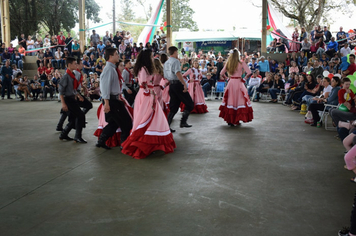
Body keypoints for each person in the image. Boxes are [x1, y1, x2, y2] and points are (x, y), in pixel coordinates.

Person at [121, 49, 176, 159]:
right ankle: (144, 144)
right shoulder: (143, 69)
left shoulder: (146, 69)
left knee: (154, 118)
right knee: (146, 118)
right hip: (146, 96)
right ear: (147, 57)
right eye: (151, 56)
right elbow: (143, 84)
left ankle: (152, 144)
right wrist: (150, 95)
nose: (152, 58)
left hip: (150, 95)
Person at [95, 48, 133, 150]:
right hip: (111, 100)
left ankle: (101, 141)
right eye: (116, 54)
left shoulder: (112, 69)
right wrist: (106, 102)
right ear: (110, 56)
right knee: (126, 122)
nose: (118, 55)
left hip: (114, 99)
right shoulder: (109, 69)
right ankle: (124, 145)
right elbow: (105, 87)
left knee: (114, 122)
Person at [164, 46, 194, 132]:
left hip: (171, 85)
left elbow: (165, 75)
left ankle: (167, 127)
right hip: (177, 84)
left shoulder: (166, 62)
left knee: (174, 106)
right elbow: (178, 72)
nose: (177, 54)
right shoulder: (176, 61)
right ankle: (183, 121)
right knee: (190, 104)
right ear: (174, 52)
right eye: (177, 52)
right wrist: (184, 83)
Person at [219, 49, 253, 126]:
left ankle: (230, 120)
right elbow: (249, 72)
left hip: (231, 82)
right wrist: (244, 79)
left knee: (231, 100)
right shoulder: (241, 63)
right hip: (239, 82)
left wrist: (227, 79)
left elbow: (221, 73)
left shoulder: (228, 63)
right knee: (239, 100)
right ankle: (237, 119)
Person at [58, 57, 87, 143]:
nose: (76, 65)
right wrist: (63, 104)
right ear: (69, 65)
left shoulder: (72, 75)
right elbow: (61, 91)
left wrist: (78, 95)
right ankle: (77, 137)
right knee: (80, 115)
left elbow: (73, 89)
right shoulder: (66, 76)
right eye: (74, 63)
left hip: (72, 97)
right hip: (68, 99)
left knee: (74, 117)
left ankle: (64, 134)